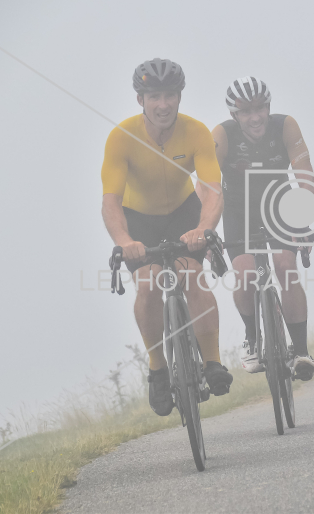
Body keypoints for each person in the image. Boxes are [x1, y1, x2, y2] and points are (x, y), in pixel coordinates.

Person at [101, 58, 232, 417]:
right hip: (138, 220)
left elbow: (212, 189)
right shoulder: (121, 137)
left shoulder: (196, 132)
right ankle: (158, 370)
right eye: (154, 96)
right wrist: (123, 240)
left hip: (183, 214)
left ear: (179, 97)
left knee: (193, 275)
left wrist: (205, 228)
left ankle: (212, 362)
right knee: (148, 285)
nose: (163, 104)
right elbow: (110, 201)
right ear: (140, 100)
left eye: (170, 95)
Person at [209, 76, 314, 380]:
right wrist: (207, 230)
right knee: (245, 276)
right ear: (234, 114)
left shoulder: (285, 126)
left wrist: (303, 219)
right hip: (237, 211)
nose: (255, 117)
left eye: (260, 108)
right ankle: (252, 337)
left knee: (285, 267)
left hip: (279, 205)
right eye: (246, 111)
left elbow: (304, 175)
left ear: (269, 107)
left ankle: (301, 350)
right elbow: (208, 185)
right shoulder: (222, 135)